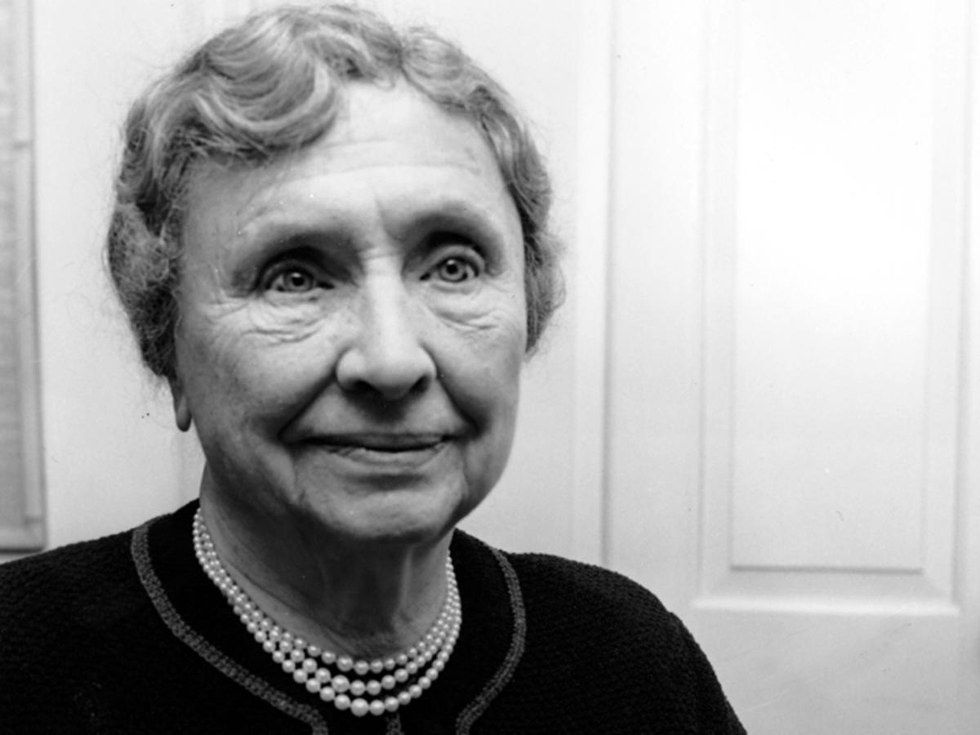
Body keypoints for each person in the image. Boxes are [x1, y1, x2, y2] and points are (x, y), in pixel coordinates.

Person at [0, 4, 744, 733]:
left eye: (453, 266)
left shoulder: (628, 659)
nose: (392, 361)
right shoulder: (22, 660)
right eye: (294, 277)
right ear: (166, 340)